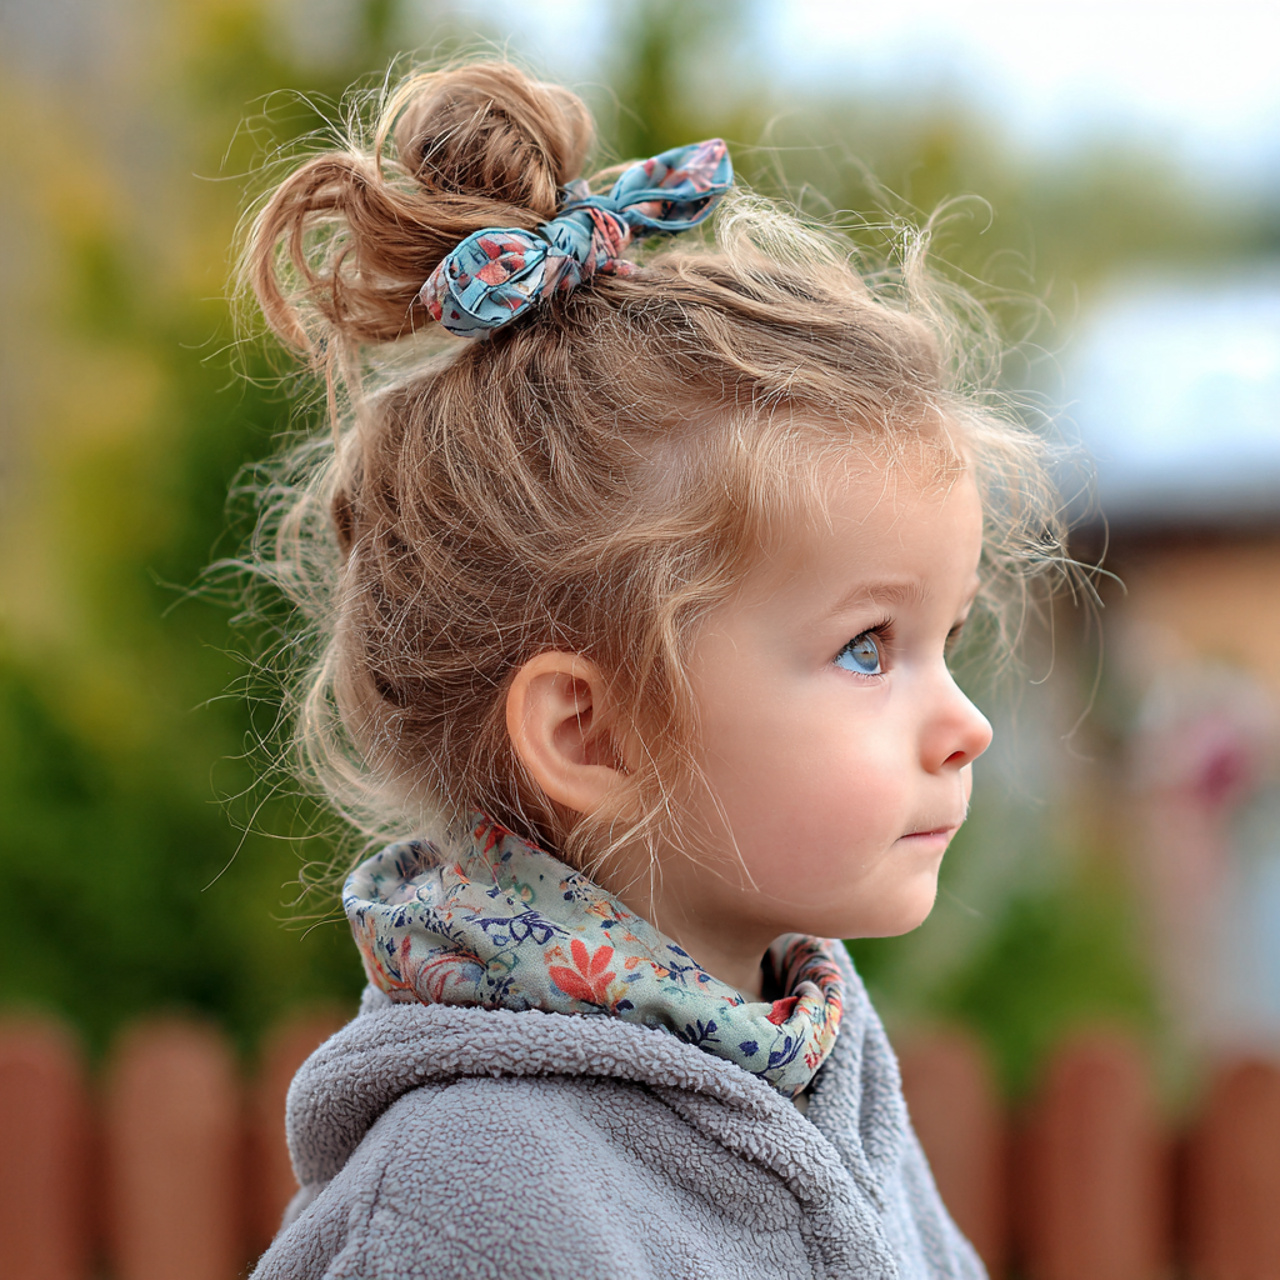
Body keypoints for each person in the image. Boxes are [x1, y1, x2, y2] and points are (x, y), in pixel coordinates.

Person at [243, 58, 1063, 1280]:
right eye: (864, 648)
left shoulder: (811, 1051)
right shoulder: (470, 1194)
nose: (964, 725)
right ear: (590, 734)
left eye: (941, 641)